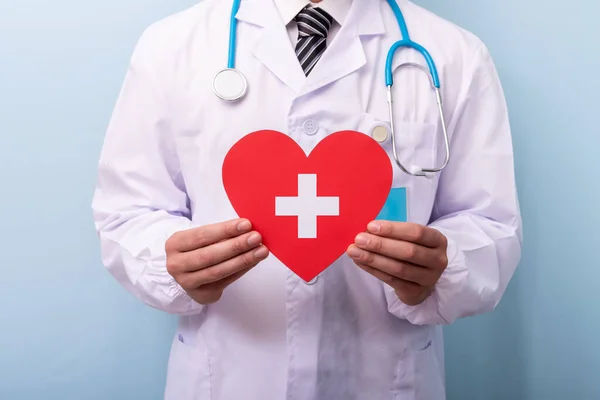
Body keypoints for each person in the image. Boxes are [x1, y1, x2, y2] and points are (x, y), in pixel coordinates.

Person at [91, 0, 522, 398]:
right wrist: (167, 263)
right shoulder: (171, 47)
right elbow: (128, 211)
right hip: (228, 376)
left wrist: (444, 269)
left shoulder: (455, 56)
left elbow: (491, 224)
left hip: (385, 378)